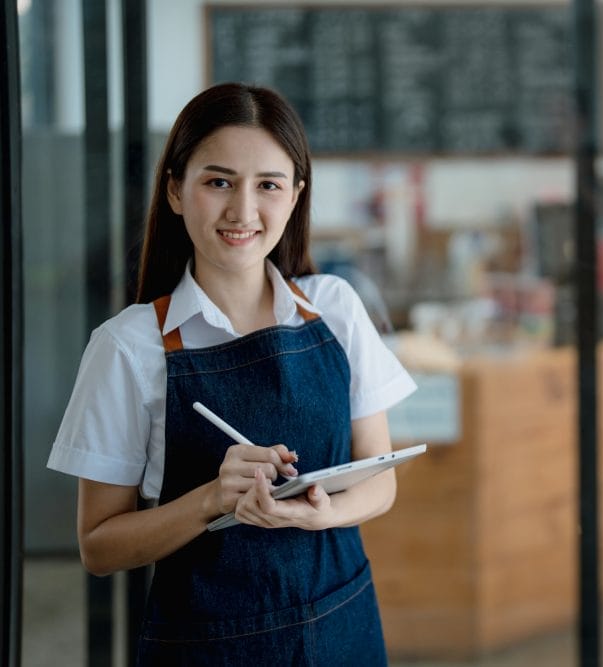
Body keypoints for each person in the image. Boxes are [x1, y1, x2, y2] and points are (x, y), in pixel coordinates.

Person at [46, 82, 417, 665]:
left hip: (343, 623)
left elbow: (382, 478)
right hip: (207, 647)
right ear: (175, 190)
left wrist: (321, 512)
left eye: (268, 185)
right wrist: (210, 500)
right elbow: (98, 545)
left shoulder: (335, 307)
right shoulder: (128, 346)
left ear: (295, 196)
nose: (243, 211)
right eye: (218, 181)